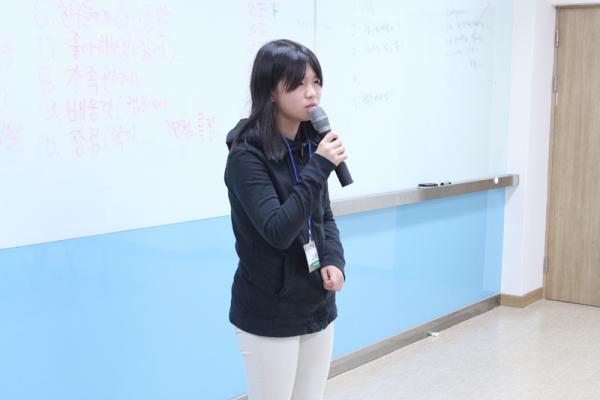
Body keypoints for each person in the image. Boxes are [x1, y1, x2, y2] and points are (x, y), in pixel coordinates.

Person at [224, 39, 347, 400]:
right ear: (270, 91)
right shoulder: (246, 156)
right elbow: (277, 230)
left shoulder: (311, 144)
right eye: (298, 84)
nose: (312, 93)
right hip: (269, 310)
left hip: (316, 303)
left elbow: (323, 215)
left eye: (316, 81)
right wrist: (320, 166)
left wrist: (333, 259)